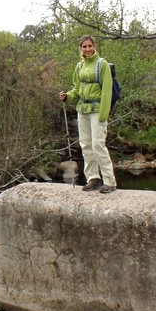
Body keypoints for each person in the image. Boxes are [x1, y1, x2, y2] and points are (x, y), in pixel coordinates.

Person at [59, 35, 117, 193]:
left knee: (98, 144)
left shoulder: (102, 64)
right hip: (82, 110)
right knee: (86, 145)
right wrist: (68, 96)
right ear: (81, 49)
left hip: (97, 110)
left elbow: (106, 91)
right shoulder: (79, 66)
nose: (87, 49)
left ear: (94, 46)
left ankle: (109, 181)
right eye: (84, 47)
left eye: (90, 46)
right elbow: (77, 88)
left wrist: (104, 113)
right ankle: (93, 178)